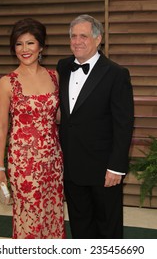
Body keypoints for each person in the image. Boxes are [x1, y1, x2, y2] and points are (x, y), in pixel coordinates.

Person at [56, 14, 134, 239]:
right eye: (73, 36)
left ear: (98, 39)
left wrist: (116, 167)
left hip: (103, 169)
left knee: (108, 228)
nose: (77, 41)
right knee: (80, 227)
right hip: (72, 167)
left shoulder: (116, 73)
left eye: (83, 36)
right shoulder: (63, 66)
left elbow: (124, 124)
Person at [0, 17, 65, 239]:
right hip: (24, 163)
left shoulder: (55, 76)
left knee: (52, 214)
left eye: (30, 43)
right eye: (19, 44)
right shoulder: (7, 82)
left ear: (41, 46)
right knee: (30, 220)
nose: (25, 49)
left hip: (53, 160)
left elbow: (59, 116)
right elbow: (2, 127)